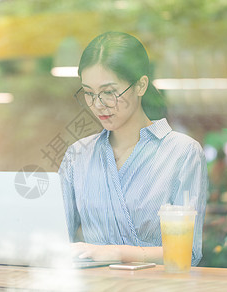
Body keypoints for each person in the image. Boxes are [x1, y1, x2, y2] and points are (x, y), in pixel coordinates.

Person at [59, 32, 208, 266]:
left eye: (109, 92)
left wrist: (116, 253)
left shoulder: (183, 153)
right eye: (89, 93)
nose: (98, 104)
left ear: (141, 85)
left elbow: (188, 253)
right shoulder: (77, 155)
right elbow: (55, 240)